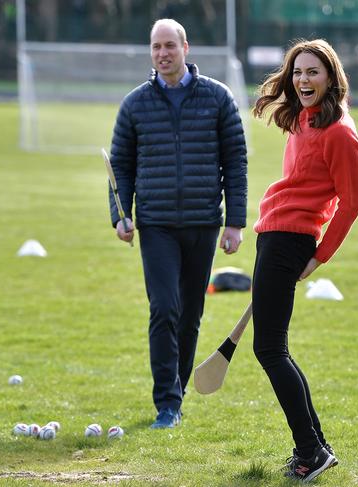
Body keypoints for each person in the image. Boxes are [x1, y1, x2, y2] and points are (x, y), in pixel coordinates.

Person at [107, 18, 247, 429]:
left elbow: (235, 163)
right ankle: (167, 403)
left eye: (170, 45)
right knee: (164, 308)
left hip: (204, 223)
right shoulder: (135, 104)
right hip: (156, 226)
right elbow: (120, 166)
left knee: (190, 316)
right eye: (156, 47)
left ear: (186, 48)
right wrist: (121, 215)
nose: (163, 53)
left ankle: (178, 390)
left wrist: (234, 223)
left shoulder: (218, 98)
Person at [251, 39, 358, 482]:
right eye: (298, 72)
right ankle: (316, 446)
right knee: (275, 348)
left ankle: (310, 451)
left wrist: (318, 257)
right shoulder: (302, 119)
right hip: (273, 234)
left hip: (290, 241)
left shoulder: (340, 133)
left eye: (313, 72)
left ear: (332, 77)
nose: (302, 80)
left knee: (269, 349)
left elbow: (351, 204)